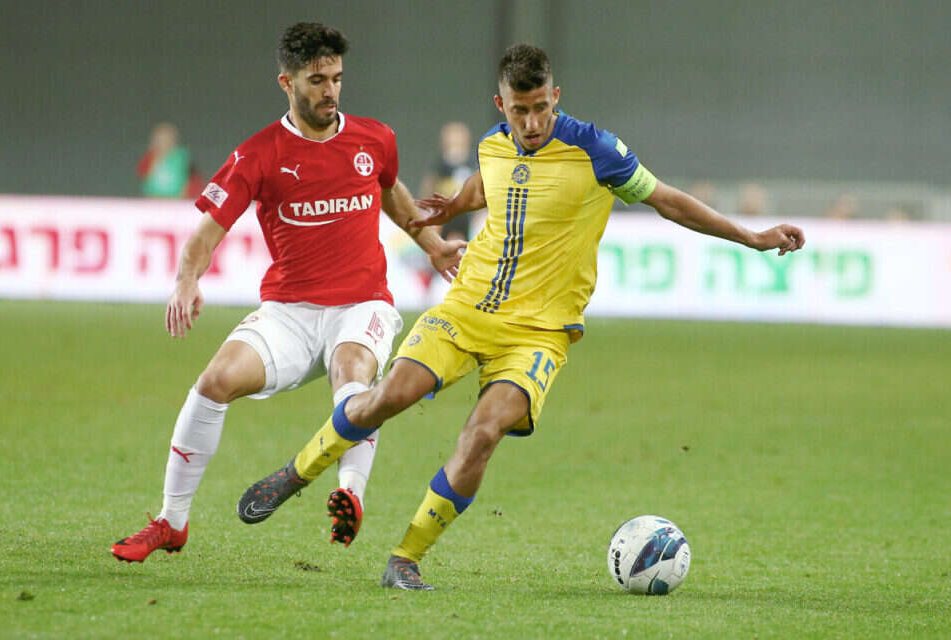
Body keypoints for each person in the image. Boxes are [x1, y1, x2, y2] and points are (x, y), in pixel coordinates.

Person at [238, 44, 805, 589]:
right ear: (500, 105)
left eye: (540, 108)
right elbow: (485, 184)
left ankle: (405, 559)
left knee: (484, 433)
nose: (531, 123)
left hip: (539, 333)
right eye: (519, 111)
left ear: (555, 97)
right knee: (389, 396)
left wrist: (752, 237)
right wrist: (453, 206)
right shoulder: (493, 144)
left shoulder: (597, 151)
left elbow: (668, 200)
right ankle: (296, 472)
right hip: (468, 307)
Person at [110, 22, 465, 563]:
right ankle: (170, 522)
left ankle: (350, 494)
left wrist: (433, 245)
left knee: (353, 370)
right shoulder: (259, 154)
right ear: (287, 82)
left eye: (337, 78)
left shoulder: (374, 139)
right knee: (214, 382)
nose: (330, 91)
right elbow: (207, 232)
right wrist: (186, 280)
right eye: (317, 80)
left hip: (362, 304)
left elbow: (391, 191)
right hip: (289, 313)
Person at [137, 122, 204, 198]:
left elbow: (193, 180)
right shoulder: (150, 157)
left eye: (166, 139)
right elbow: (144, 175)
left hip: (177, 200)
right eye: (160, 139)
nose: (163, 142)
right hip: (153, 200)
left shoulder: (182, 158)